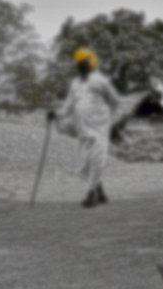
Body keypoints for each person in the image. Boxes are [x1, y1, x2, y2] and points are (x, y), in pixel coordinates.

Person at [48, 48, 120, 208]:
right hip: (83, 129)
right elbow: (68, 106)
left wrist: (110, 118)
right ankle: (99, 189)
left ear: (91, 62)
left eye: (84, 62)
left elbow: (115, 100)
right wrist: (56, 115)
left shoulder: (101, 80)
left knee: (97, 160)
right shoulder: (75, 83)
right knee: (81, 169)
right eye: (79, 63)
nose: (81, 65)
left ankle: (92, 194)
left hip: (100, 128)